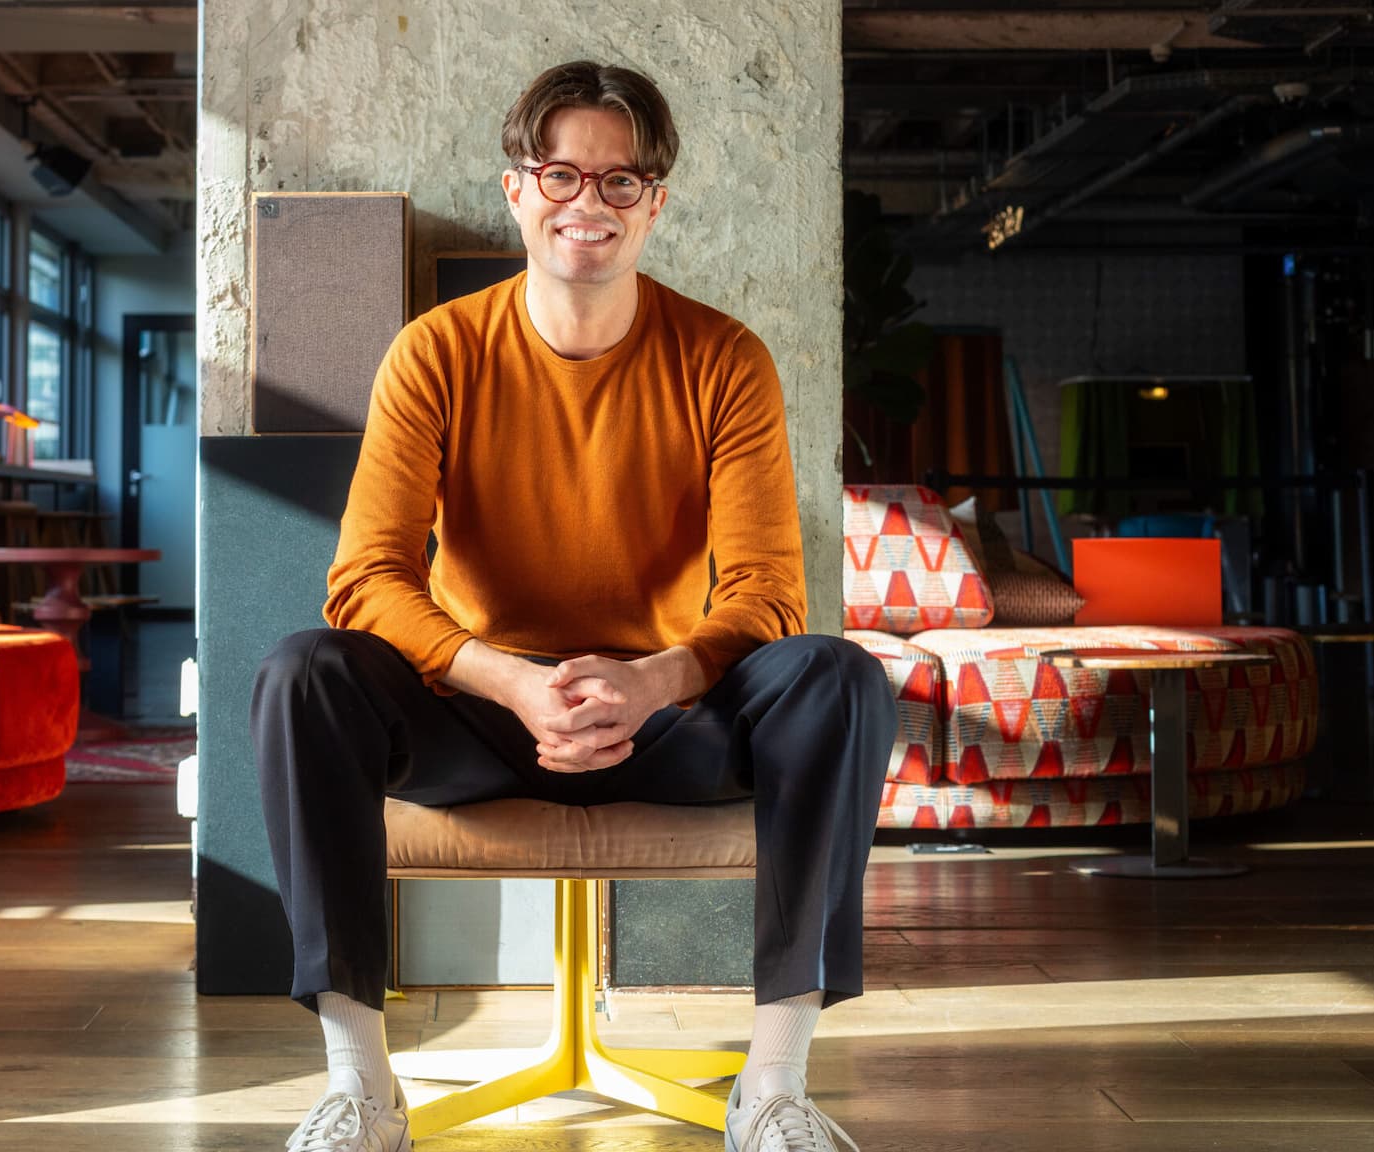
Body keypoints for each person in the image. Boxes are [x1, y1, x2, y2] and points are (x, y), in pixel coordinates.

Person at [253, 59, 895, 1152]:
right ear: (518, 190)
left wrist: (654, 680)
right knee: (302, 670)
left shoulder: (725, 359)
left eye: (619, 180)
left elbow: (765, 592)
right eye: (560, 175)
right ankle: (361, 1087)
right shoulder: (436, 352)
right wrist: (509, 679)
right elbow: (365, 579)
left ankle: (774, 1087)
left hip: (667, 717)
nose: (586, 203)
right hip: (477, 712)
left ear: (654, 203)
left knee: (838, 677)